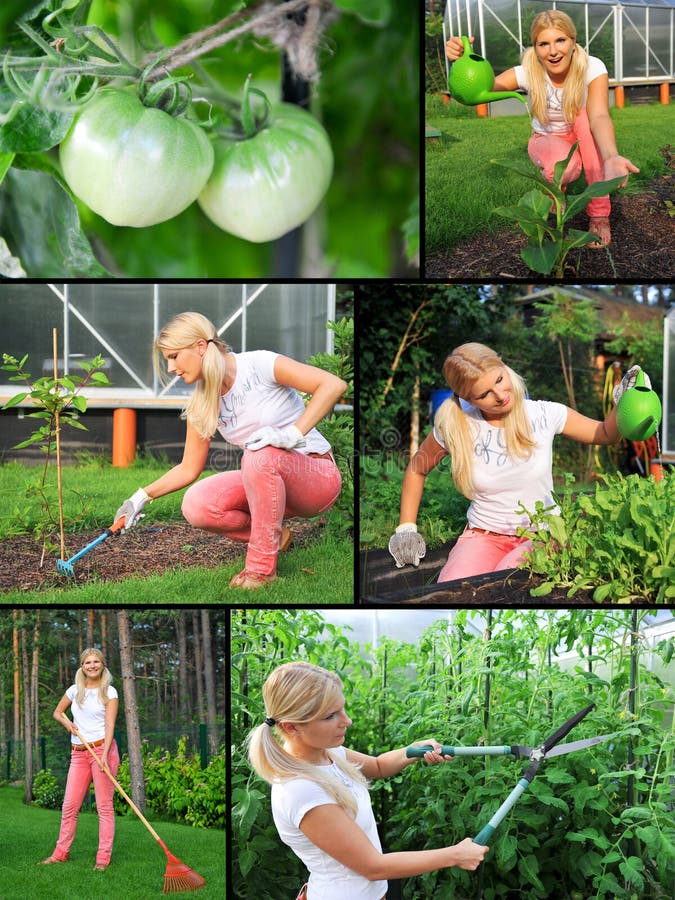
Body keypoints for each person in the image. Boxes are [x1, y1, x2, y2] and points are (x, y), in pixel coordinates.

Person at [114, 311, 346, 590]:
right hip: (267, 479)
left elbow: (333, 385)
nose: (171, 368)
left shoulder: (259, 364)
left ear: (200, 346)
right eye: (167, 360)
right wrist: (140, 496)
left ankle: (260, 573)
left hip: (315, 476)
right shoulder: (203, 401)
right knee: (197, 504)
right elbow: (188, 468)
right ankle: (277, 536)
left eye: (174, 356)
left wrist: (292, 435)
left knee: (260, 453)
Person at [389, 342, 634, 583]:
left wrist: (624, 401)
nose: (501, 395)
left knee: (505, 581)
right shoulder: (456, 425)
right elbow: (416, 469)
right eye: (484, 394)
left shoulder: (544, 414)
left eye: (499, 380)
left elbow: (604, 434)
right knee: (453, 589)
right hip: (484, 536)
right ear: (468, 399)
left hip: (544, 535)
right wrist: (406, 529)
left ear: (503, 366)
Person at [247, 661, 488, 899]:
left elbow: (378, 765)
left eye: (342, 709)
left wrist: (412, 750)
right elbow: (374, 867)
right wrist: (455, 855)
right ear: (291, 728)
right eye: (331, 716)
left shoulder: (327, 753)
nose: (347, 720)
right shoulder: (301, 790)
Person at [446, 10, 639, 247]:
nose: (553, 51)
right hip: (546, 137)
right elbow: (483, 88)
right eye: (543, 44)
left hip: (582, 132)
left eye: (560, 40)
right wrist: (463, 61)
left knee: (585, 119)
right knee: (566, 168)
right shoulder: (528, 71)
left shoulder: (592, 67)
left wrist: (611, 155)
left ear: (573, 40)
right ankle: (554, 193)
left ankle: (599, 214)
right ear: (535, 48)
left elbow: (599, 115)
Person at [40, 648, 120, 871]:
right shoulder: (75, 690)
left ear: (103, 665)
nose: (92, 666)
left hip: (102, 751)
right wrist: (68, 724)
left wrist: (104, 754)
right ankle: (60, 854)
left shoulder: (110, 692)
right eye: (87, 662)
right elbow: (58, 712)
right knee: (69, 806)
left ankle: (103, 859)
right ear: (82, 667)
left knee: (104, 808)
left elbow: (110, 725)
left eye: (96, 662)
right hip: (79, 752)